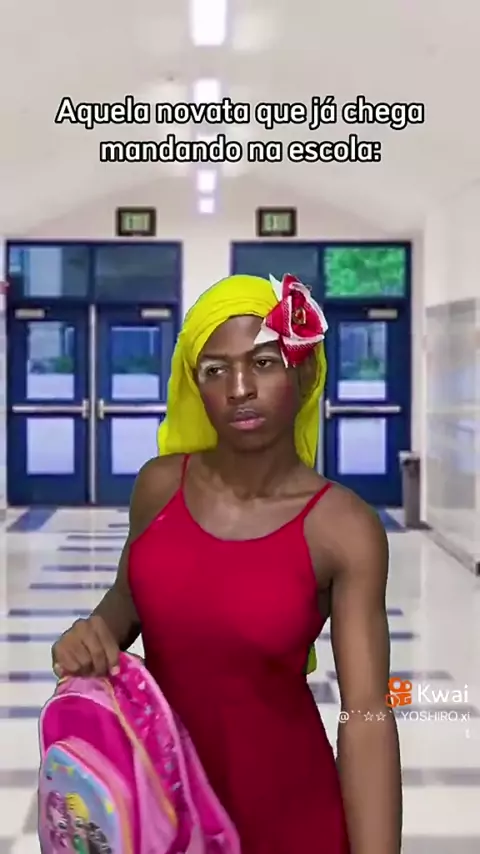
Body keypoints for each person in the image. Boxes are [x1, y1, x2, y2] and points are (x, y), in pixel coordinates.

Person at [52, 273, 402, 854]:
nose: (240, 388)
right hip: (163, 816)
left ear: (303, 373)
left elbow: (366, 717)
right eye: (215, 370)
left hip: (289, 823)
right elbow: (128, 600)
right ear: (196, 387)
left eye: (263, 363)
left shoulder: (342, 529)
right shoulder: (159, 487)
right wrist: (91, 634)